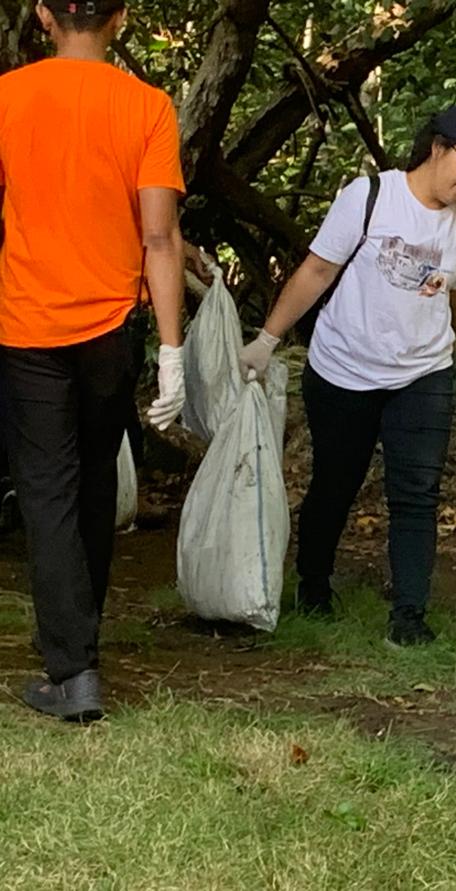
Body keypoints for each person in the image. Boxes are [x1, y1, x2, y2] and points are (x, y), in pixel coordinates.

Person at [237, 105, 456, 646]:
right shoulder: (370, 197)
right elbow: (317, 271)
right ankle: (313, 583)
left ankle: (408, 616)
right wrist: (266, 342)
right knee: (336, 481)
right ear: (437, 146)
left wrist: (441, 344)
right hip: (343, 368)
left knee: (417, 493)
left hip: (423, 374)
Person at [0, 0, 186, 720]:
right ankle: (83, 647)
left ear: (44, 15)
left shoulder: (9, 96)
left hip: (26, 327)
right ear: (121, 19)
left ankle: (72, 670)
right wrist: (172, 349)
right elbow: (160, 237)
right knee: (92, 486)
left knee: (46, 491)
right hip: (112, 328)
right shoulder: (147, 106)